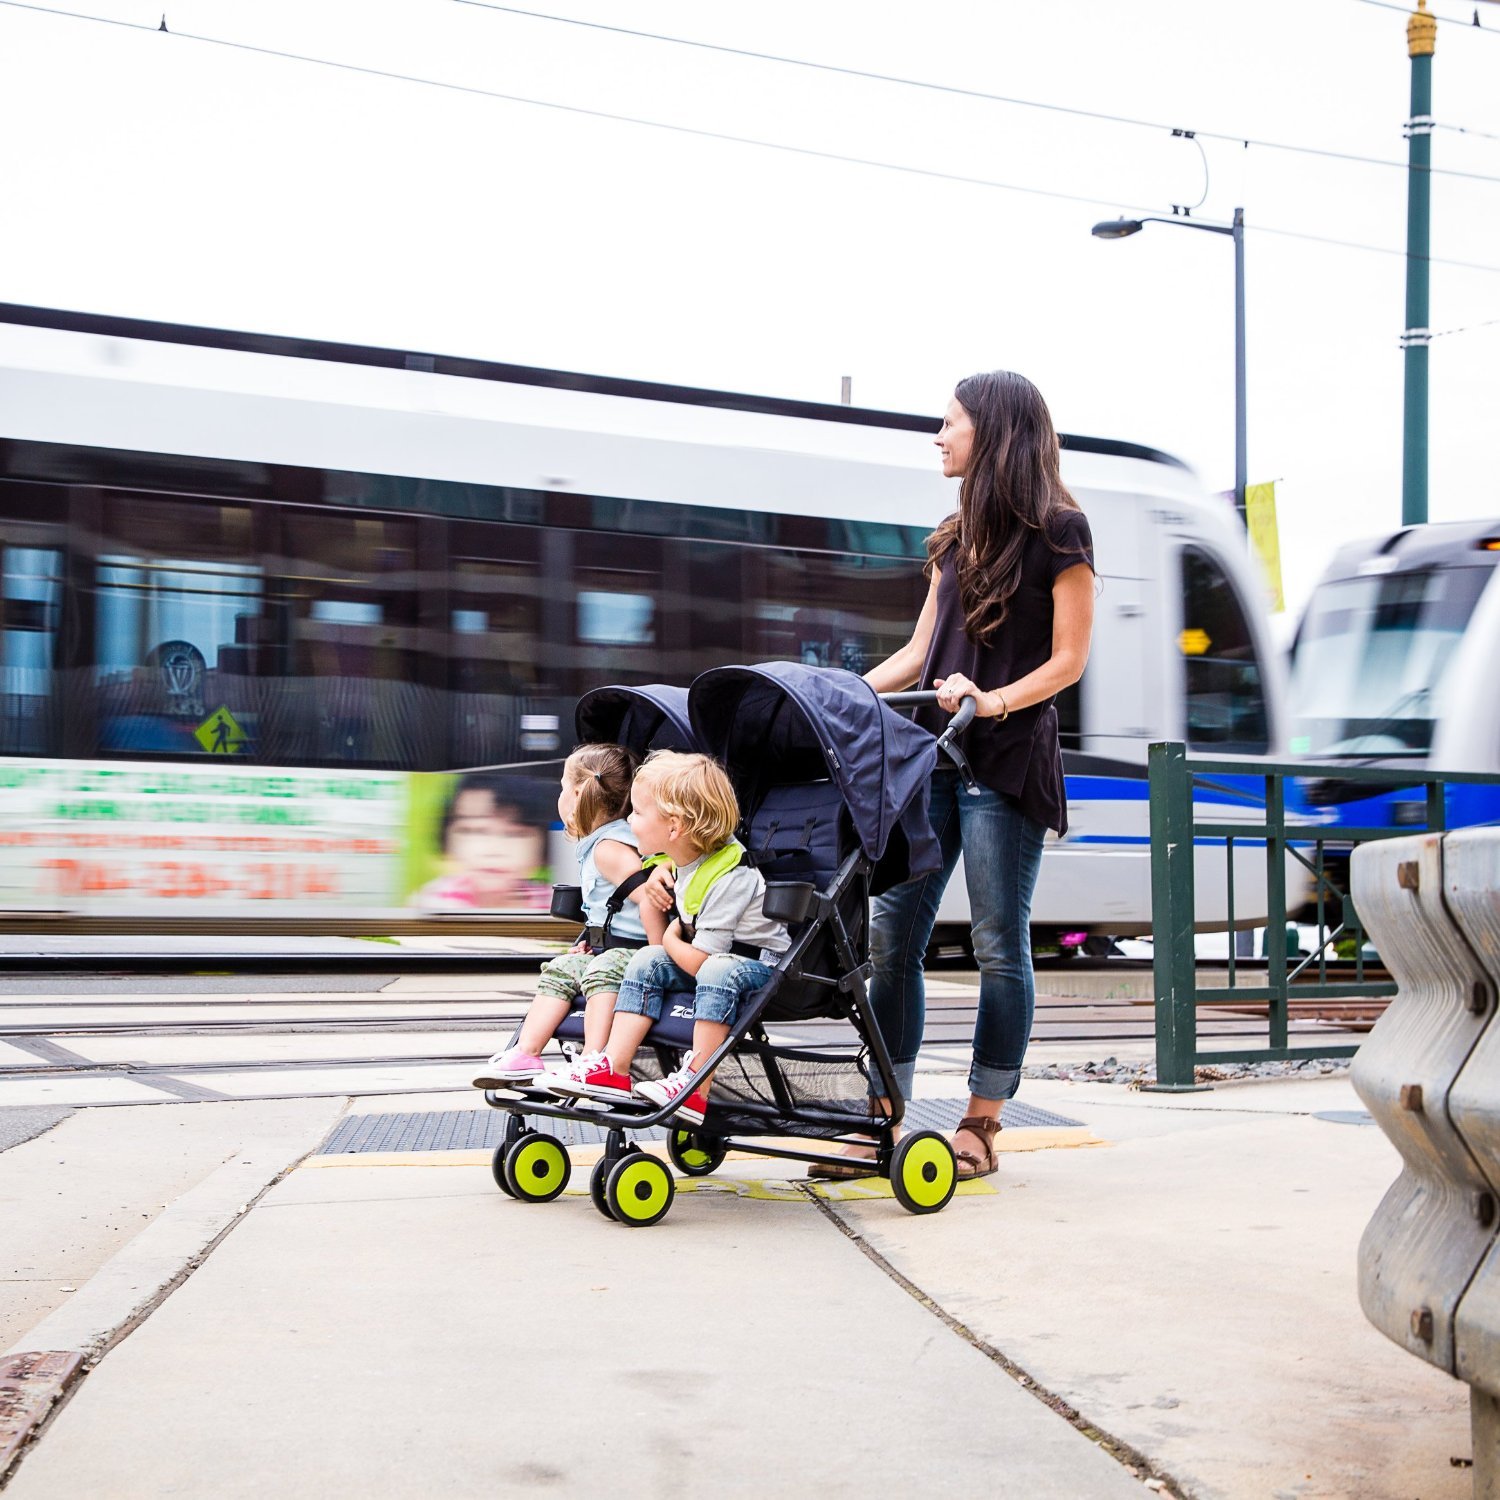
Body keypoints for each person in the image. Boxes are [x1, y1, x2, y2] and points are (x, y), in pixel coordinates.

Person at [827, 369, 1094, 1180]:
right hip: (930, 758)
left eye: (950, 423)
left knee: (996, 943)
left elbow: (1069, 662)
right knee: (891, 937)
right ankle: (884, 1114)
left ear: (995, 432)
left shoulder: (1061, 531)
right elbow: (918, 653)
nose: (938, 438)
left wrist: (995, 701)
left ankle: (982, 1122)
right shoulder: (951, 536)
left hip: (1006, 763)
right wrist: (829, 701)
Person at [539, 750, 790, 1126]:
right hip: (705, 957)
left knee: (714, 969)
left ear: (674, 828)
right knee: (645, 960)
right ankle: (613, 1067)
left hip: (753, 966)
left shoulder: (730, 878)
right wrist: (659, 869)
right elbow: (668, 865)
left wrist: (672, 936)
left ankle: (696, 1086)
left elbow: (704, 962)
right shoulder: (684, 859)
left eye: (638, 813)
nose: (629, 820)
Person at [472, 745, 671, 1088]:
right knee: (562, 969)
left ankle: (594, 1060)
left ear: (578, 793)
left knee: (602, 970)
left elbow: (652, 899)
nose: (560, 795)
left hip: (636, 952)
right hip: (609, 950)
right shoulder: (597, 842)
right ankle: (526, 1053)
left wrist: (657, 959)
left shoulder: (609, 848)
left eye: (563, 786)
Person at [413, 771, 553, 912]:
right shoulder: (434, 904)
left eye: (515, 834)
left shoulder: (553, 904)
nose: (493, 850)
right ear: (447, 838)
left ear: (544, 845)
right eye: (475, 831)